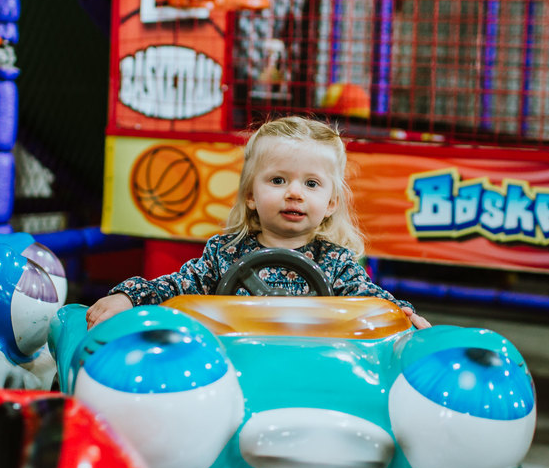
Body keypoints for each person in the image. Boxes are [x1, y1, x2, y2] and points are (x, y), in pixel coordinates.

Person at [87, 116, 430, 329]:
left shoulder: (336, 264)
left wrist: (406, 317)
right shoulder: (225, 254)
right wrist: (130, 297)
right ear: (250, 195)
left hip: (311, 369)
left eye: (311, 184)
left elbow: (373, 302)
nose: (294, 193)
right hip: (237, 370)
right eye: (278, 181)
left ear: (331, 203)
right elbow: (176, 286)